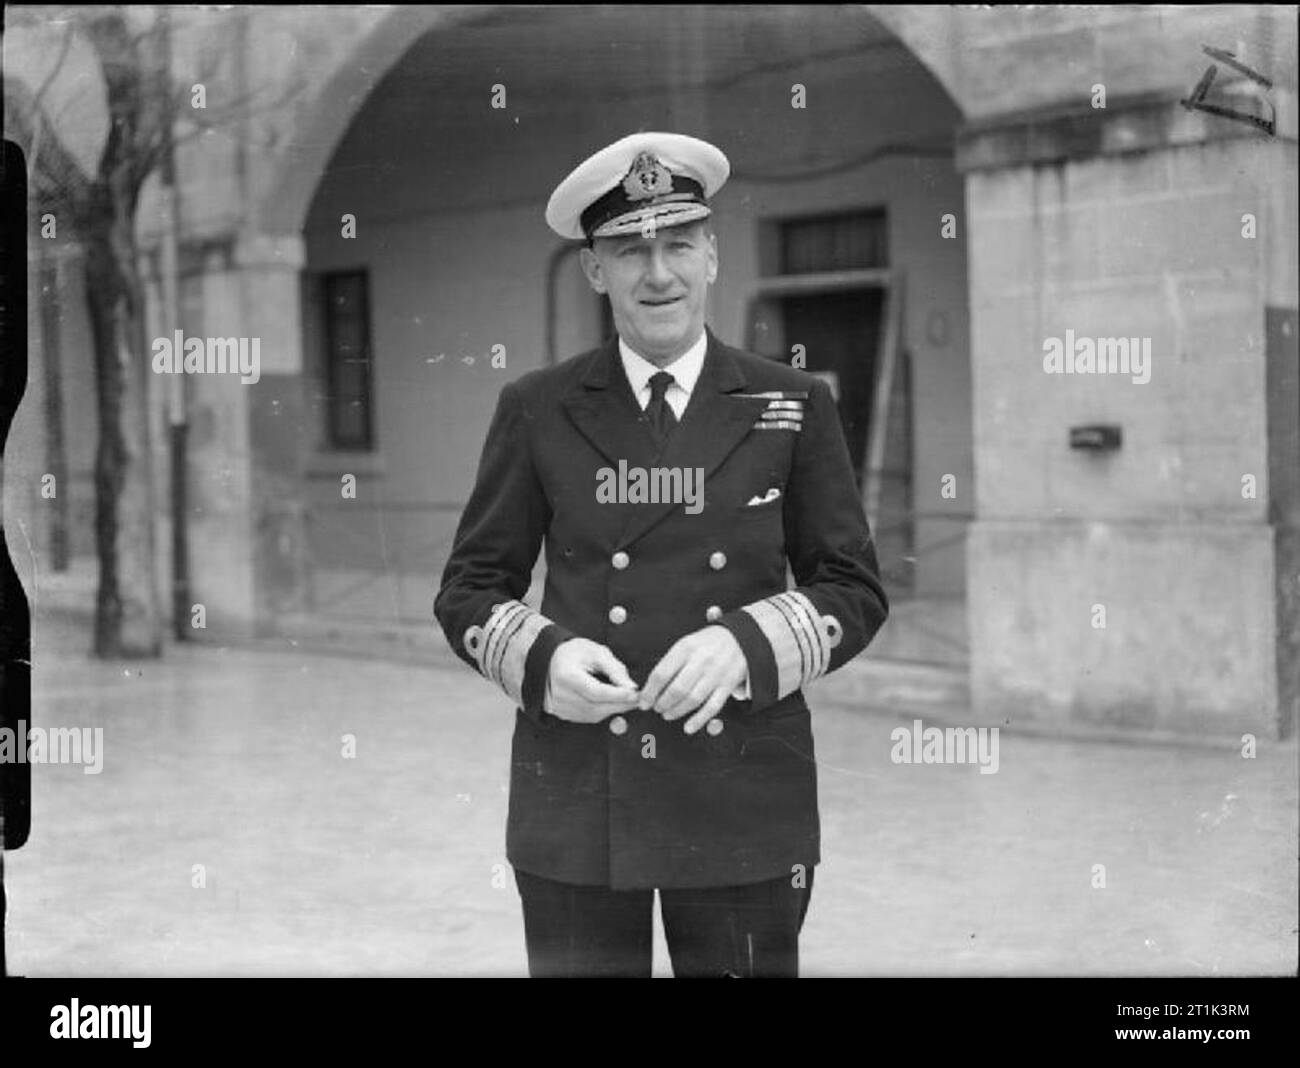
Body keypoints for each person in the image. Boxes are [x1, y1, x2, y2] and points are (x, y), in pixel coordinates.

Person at [434, 132, 888, 977]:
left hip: (742, 788)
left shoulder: (789, 404)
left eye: (679, 244)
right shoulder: (538, 407)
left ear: (712, 255)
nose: (659, 274)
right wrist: (543, 657)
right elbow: (468, 589)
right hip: (578, 788)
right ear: (594, 270)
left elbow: (852, 588)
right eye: (630, 250)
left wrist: (744, 644)